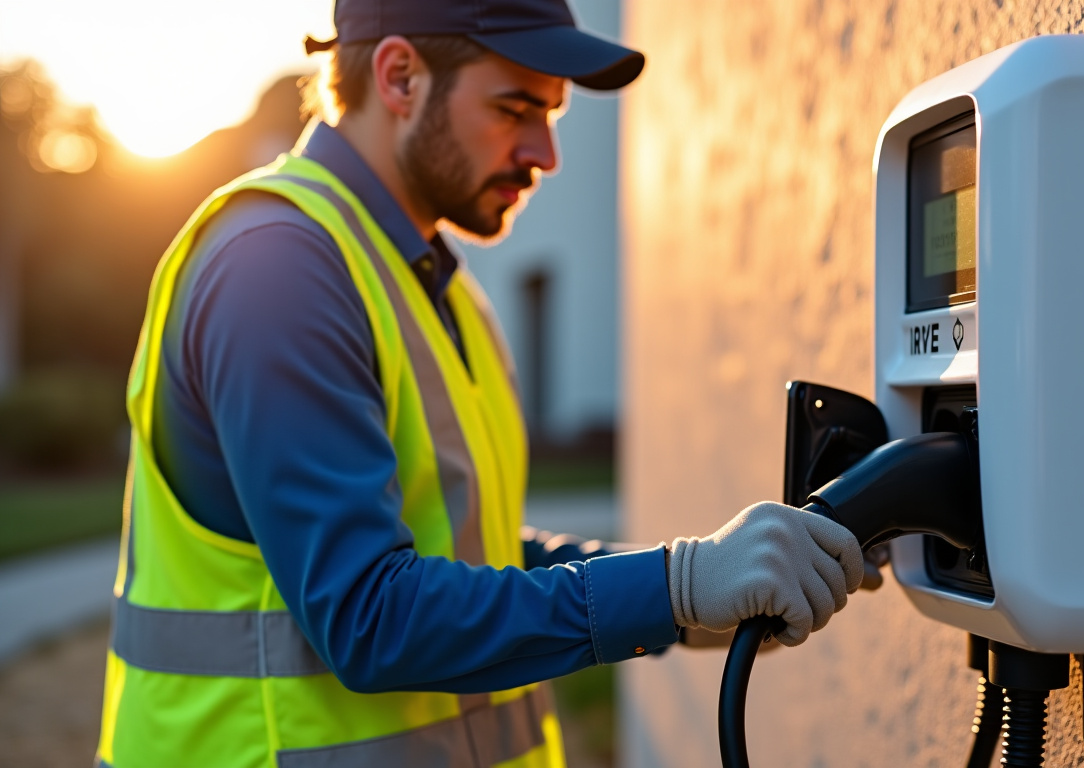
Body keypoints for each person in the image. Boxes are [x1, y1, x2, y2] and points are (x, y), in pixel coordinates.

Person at [95, 1, 871, 766]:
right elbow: (372, 617)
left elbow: (477, 550)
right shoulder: (278, 268)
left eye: (554, 115)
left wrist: (699, 597)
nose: (545, 152)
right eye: (516, 108)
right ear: (400, 76)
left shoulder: (435, 283)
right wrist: (675, 587)